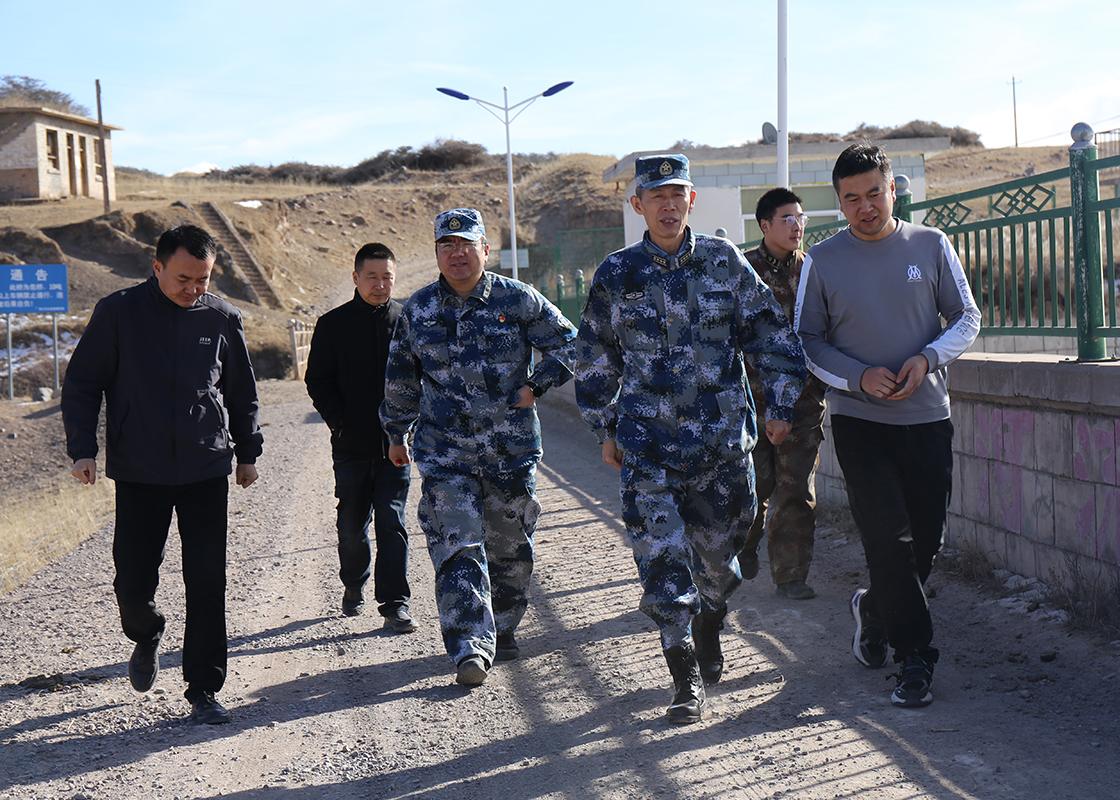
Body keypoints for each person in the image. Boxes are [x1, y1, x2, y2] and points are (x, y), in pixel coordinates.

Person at [575, 154, 806, 724]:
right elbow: (596, 355)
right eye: (656, 196)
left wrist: (779, 406)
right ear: (638, 206)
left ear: (692, 200)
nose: (669, 204)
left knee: (720, 562)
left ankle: (709, 615)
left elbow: (770, 334)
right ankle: (683, 674)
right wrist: (606, 426)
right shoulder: (617, 273)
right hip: (648, 446)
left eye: (678, 193)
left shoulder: (725, 262)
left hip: (722, 446)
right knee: (661, 560)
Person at [794, 143, 980, 708]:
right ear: (839, 202)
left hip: (927, 417)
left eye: (874, 193)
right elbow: (807, 340)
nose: (865, 207)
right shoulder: (822, 262)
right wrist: (857, 378)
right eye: (851, 199)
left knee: (925, 543)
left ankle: (874, 608)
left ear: (892, 188)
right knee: (887, 542)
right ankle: (915, 658)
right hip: (860, 422)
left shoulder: (931, 244)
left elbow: (967, 316)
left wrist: (928, 359)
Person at [61, 224, 263, 725]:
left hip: (205, 467)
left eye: (203, 279)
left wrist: (247, 451)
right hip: (139, 470)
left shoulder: (222, 318)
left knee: (207, 580)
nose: (194, 288)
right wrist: (82, 450)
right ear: (157, 268)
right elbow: (83, 384)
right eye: (183, 278)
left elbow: (242, 392)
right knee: (132, 579)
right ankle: (147, 631)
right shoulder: (118, 314)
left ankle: (203, 687)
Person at [380, 208, 576, 687]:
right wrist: (395, 432)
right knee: (457, 543)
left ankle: (504, 626)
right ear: (437, 254)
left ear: (485, 250)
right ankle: (470, 642)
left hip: (509, 450)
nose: (457, 254)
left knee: (510, 547)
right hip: (445, 453)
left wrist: (537, 384)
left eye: (466, 244)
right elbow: (401, 376)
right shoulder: (420, 309)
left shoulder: (518, 299)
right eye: (447, 246)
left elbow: (572, 343)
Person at [305, 242, 415, 632]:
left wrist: (406, 427)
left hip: (395, 446)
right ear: (355, 278)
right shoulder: (333, 325)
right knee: (352, 525)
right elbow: (317, 380)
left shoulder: (408, 322)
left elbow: (421, 380)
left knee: (392, 520)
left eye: (387, 277)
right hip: (350, 445)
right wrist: (339, 422)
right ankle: (354, 584)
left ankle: (395, 603)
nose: (380, 284)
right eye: (372, 276)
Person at [737, 188, 827, 601]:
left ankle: (790, 576)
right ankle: (746, 542)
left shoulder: (814, 272)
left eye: (801, 217)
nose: (797, 226)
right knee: (754, 486)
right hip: (750, 403)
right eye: (787, 218)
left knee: (795, 488)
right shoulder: (741, 272)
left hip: (803, 403)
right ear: (765, 225)